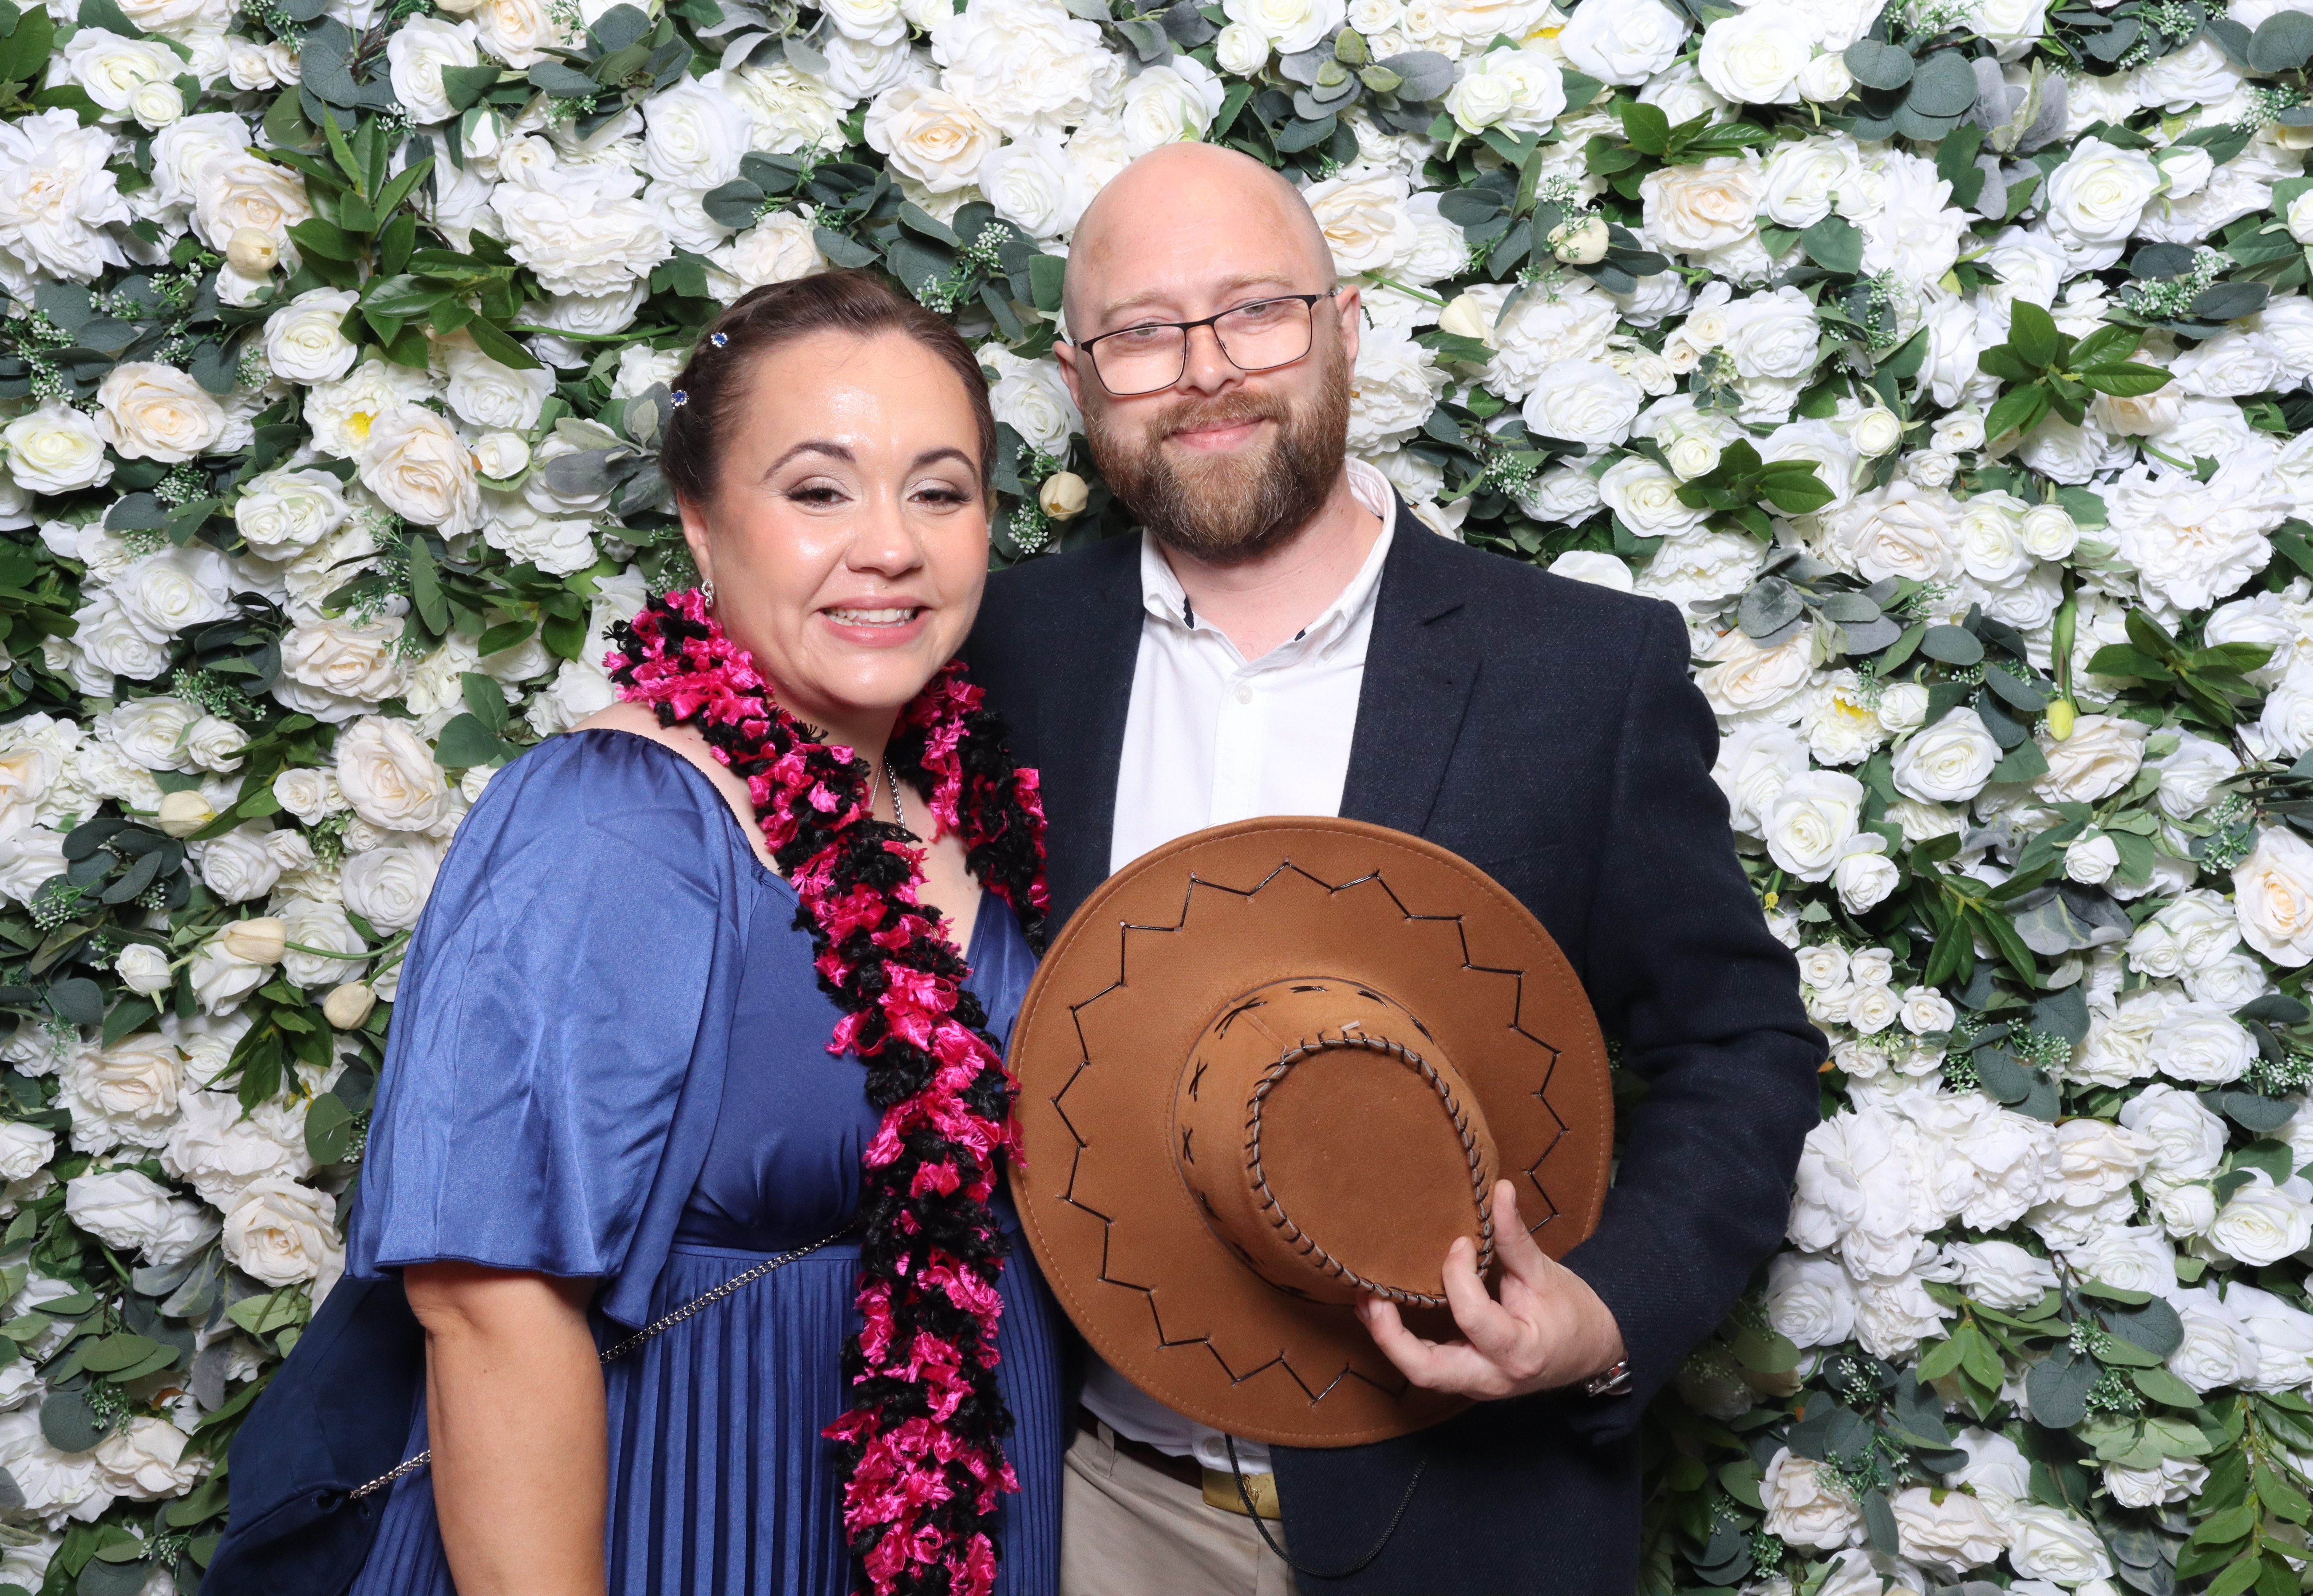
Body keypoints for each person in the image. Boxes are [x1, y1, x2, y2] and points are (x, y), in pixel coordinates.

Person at [958, 142, 1826, 1595]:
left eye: (1256, 311)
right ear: (1077, 379)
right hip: (1098, 1511)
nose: (1206, 370)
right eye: (1144, 332)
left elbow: (1742, 1043)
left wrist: (1606, 1314)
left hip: (1465, 1517)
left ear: (1345, 328)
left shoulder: (1581, 671)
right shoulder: (1002, 652)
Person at [328, 271, 1065, 1595]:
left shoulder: (967, 807)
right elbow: (484, 1305)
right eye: (819, 490)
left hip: (963, 1522)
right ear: (702, 523)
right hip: (685, 1511)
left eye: (939, 492)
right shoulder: (613, 820)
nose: (890, 546)